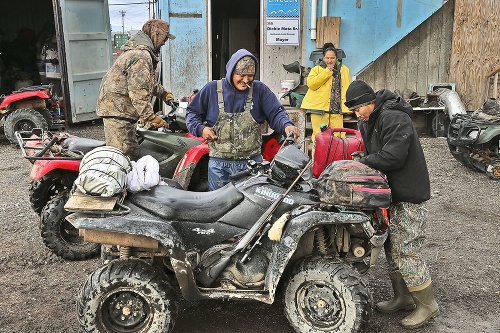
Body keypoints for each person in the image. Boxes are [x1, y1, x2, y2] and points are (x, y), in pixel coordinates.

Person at [345, 80, 440, 329]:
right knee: (391, 247)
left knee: (406, 249)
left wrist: (364, 162)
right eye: (354, 112)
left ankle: (427, 305)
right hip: (391, 193)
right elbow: (375, 151)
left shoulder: (394, 118)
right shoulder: (369, 120)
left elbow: (393, 156)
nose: (357, 116)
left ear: (370, 102)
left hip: (409, 193)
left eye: (358, 110)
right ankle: (404, 296)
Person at [186, 48, 299, 191]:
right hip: (219, 166)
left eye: (250, 75)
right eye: (241, 75)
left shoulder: (260, 90)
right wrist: (200, 129)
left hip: (251, 165)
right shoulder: (211, 90)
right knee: (219, 208)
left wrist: (286, 125)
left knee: (251, 210)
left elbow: (276, 113)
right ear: (231, 72)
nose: (246, 80)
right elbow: (192, 113)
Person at [96, 19, 176, 161]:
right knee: (124, 157)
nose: (165, 42)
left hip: (119, 109)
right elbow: (139, 91)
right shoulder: (141, 56)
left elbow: (145, 82)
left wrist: (164, 94)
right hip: (118, 110)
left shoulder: (140, 53)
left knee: (129, 151)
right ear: (156, 34)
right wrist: (149, 117)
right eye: (164, 38)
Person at [300, 42, 351, 142]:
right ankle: (318, 158)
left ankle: (337, 158)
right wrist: (327, 72)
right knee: (319, 138)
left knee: (339, 139)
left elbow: (347, 87)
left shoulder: (344, 70)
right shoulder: (317, 69)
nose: (329, 60)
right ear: (323, 58)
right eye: (327, 58)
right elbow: (311, 84)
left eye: (332, 58)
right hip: (319, 109)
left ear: (336, 59)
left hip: (336, 109)